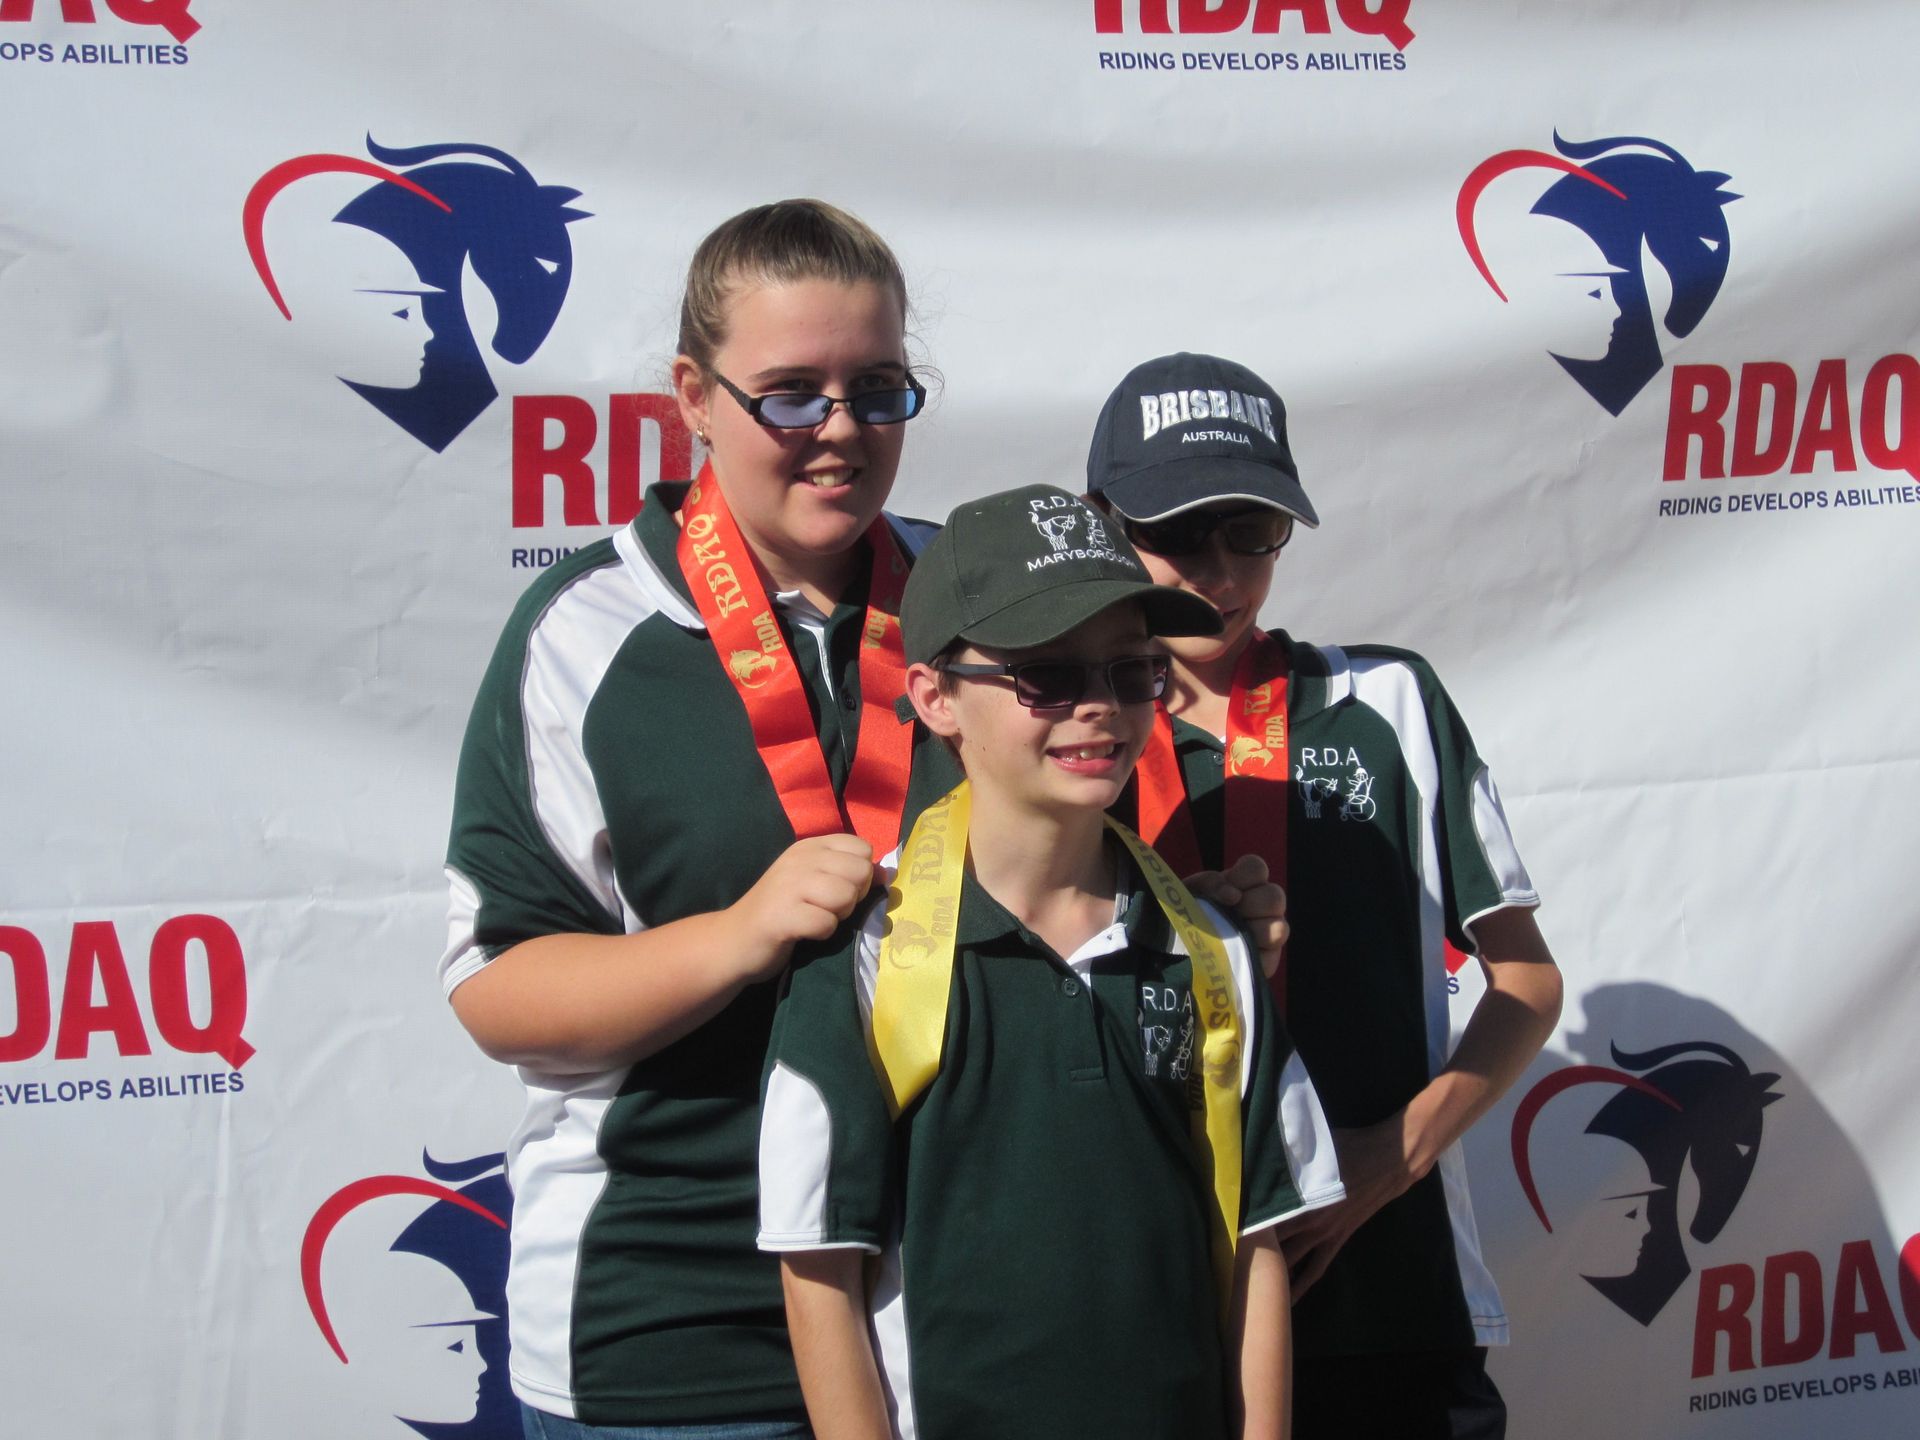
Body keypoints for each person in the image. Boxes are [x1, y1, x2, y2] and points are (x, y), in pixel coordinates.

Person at [440, 206, 1287, 1438]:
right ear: (693, 394)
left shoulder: (997, 605)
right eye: (792, 393)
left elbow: (1114, 887)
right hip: (680, 1322)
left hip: (974, 1316)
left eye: (877, 390)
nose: (839, 432)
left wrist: (1221, 916)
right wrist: (736, 938)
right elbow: (499, 990)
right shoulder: (587, 634)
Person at [757, 485, 1345, 1440]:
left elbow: (1258, 1253)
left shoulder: (1208, 949)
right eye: (1045, 678)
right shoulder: (865, 952)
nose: (1097, 709)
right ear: (935, 696)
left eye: (1130, 671)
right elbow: (817, 1272)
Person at [1086, 353, 1565, 1440]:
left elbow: (1527, 984)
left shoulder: (1384, 700)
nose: (1218, 571)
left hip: (1389, 1303)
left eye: (1251, 534)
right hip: (1149, 1304)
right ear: (1103, 522)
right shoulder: (1059, 733)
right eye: (1178, 530)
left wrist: (1383, 1161)